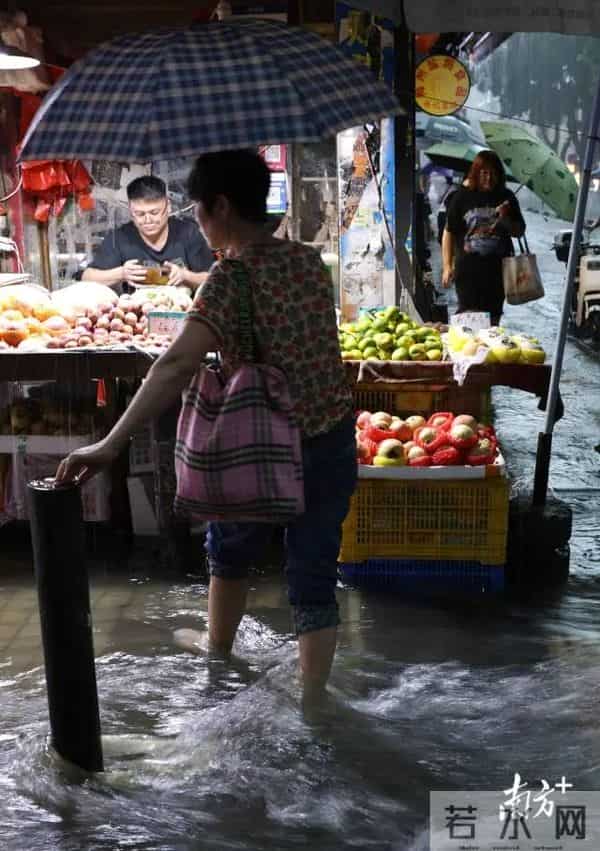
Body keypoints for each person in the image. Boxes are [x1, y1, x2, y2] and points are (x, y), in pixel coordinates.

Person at [57, 149, 357, 702]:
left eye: (197, 208)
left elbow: (175, 364)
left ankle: (218, 651)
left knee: (232, 542)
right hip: (331, 437)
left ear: (220, 206)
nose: (194, 219)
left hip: (264, 444)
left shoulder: (229, 278)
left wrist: (108, 443)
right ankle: (315, 701)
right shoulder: (306, 261)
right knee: (313, 570)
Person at [81, 175, 214, 291]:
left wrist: (185, 276)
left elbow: (213, 280)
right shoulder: (120, 238)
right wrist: (121, 273)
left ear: (168, 207)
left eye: (154, 212)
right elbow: (87, 277)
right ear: (131, 211)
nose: (148, 220)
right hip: (136, 313)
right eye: (140, 214)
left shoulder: (188, 233)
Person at [441, 150, 526, 325]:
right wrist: (447, 266)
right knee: (468, 317)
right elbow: (449, 232)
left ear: (499, 174)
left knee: (493, 318)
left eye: (493, 173)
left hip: (497, 271)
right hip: (467, 270)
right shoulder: (462, 197)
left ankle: (489, 351)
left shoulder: (507, 197)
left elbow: (519, 231)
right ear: (476, 173)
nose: (488, 177)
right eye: (483, 172)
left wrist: (505, 219)